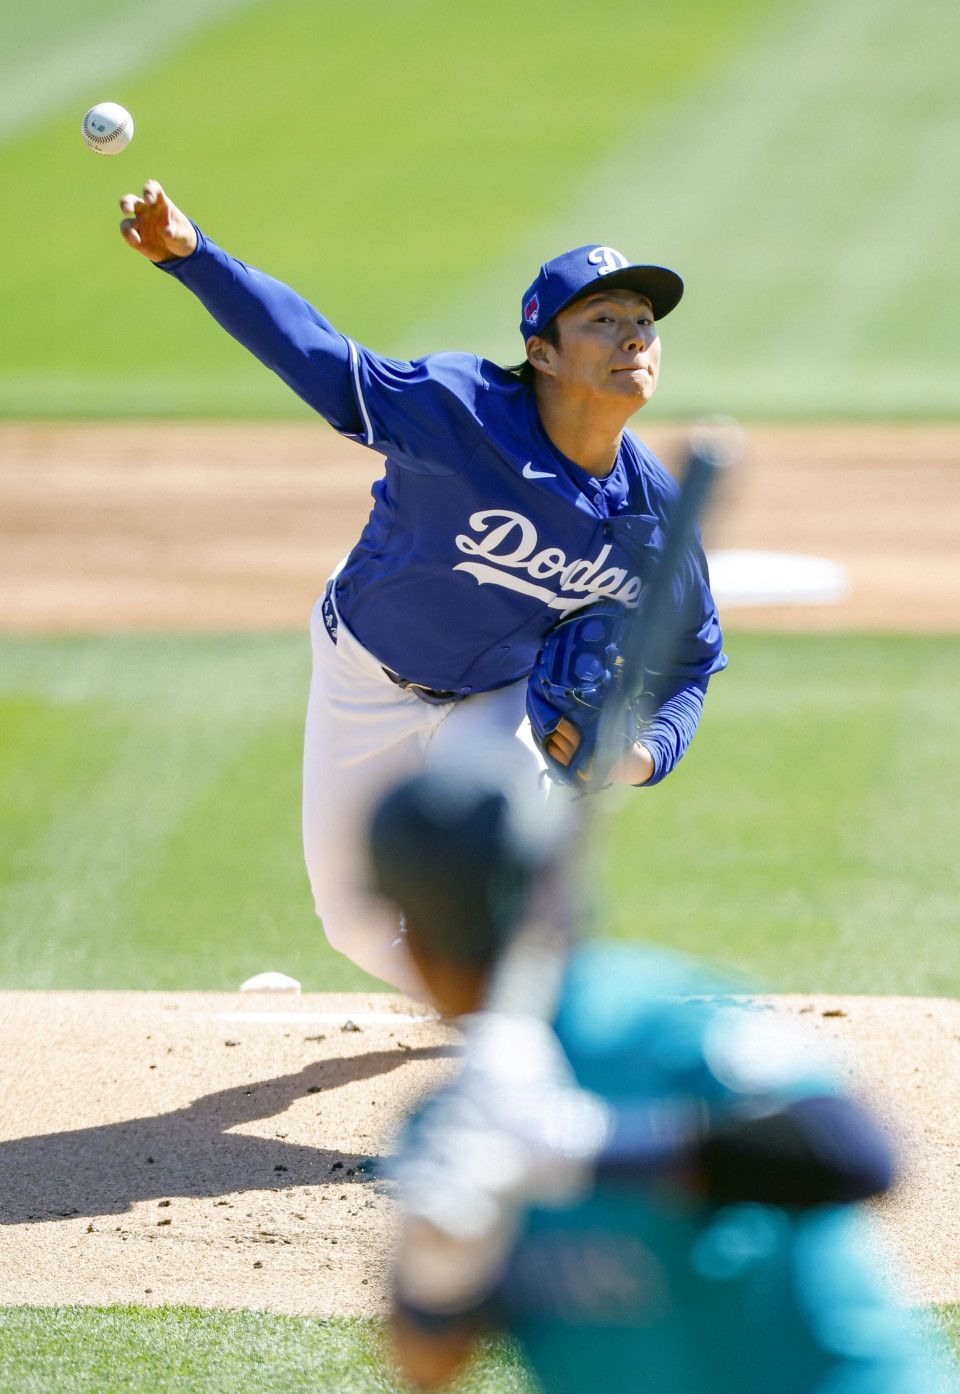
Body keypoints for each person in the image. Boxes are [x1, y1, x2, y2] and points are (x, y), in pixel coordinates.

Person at [116, 182, 725, 996]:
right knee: (353, 924)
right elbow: (322, 360)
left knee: (522, 883)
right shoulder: (461, 412)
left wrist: (640, 757)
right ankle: (474, 1004)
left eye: (644, 322)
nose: (634, 339)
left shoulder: (653, 513)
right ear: (542, 352)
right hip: (362, 672)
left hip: (501, 699)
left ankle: (545, 1023)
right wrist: (192, 255)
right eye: (603, 321)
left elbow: (692, 663)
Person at [368, 765, 958, 1394]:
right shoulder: (456, 1125)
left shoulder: (651, 1023)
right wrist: (441, 1262)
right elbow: (427, 1366)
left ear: (416, 948)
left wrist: (587, 1148)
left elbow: (855, 1151)